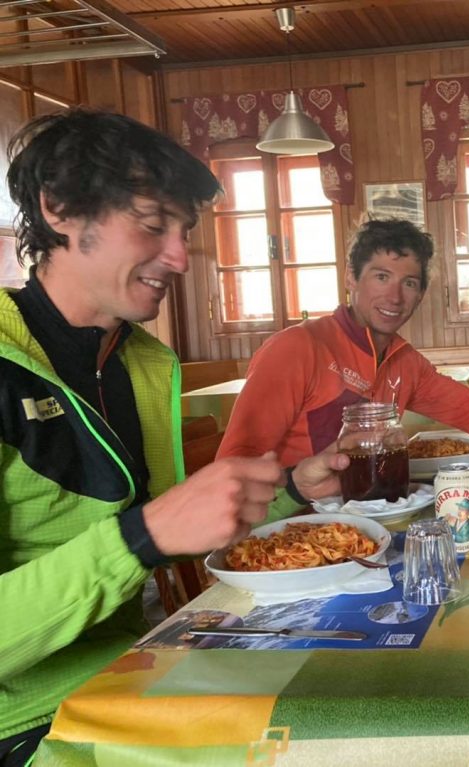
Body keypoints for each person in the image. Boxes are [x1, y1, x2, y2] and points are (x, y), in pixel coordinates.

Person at [0, 110, 348, 765]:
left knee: (354, 702)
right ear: (59, 208)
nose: (181, 257)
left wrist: (291, 492)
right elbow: (145, 536)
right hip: (31, 721)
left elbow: (167, 528)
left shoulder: (138, 361)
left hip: (138, 671)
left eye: (184, 231)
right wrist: (142, 534)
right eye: (154, 224)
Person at [217, 218, 469, 467]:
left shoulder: (405, 363)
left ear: (420, 294)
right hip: (299, 531)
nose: (394, 297)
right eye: (381, 276)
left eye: (408, 283)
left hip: (378, 519)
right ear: (350, 279)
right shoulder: (296, 348)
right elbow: (236, 463)